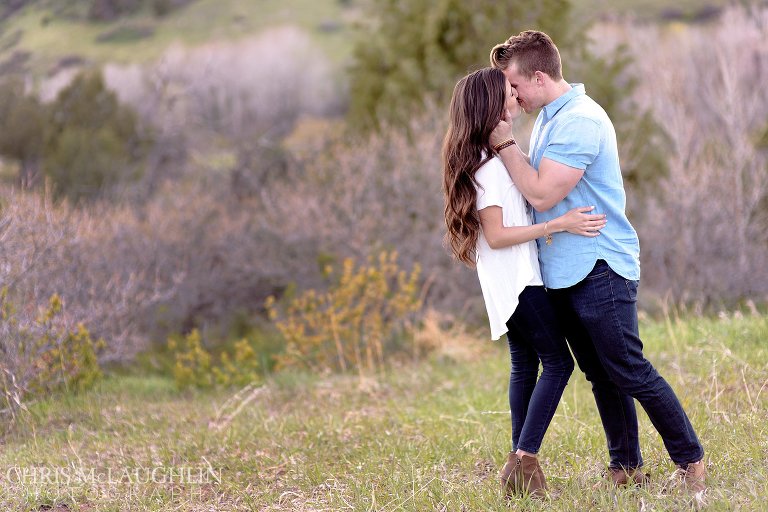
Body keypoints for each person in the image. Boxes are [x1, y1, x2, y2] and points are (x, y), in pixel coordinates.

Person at [487, 30, 706, 496]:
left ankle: (691, 460)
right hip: (565, 268)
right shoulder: (549, 119)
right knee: (601, 374)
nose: (513, 95)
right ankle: (625, 466)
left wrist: (504, 144)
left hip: (599, 265)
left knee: (629, 368)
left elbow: (542, 193)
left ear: (539, 77)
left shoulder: (580, 121)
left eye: (516, 85)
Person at [442, 67, 609, 498]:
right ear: (491, 106)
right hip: (518, 280)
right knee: (558, 363)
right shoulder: (490, 169)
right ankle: (524, 459)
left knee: (525, 363)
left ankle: (519, 467)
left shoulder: (492, 158)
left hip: (512, 278)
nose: (515, 95)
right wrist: (558, 224)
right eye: (508, 92)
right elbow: (497, 236)